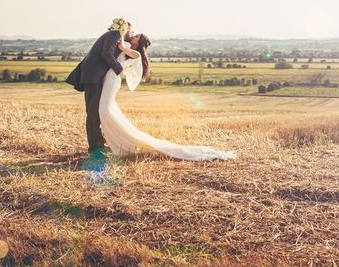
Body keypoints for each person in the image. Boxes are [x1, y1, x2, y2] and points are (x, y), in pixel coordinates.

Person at [98, 33, 236, 161]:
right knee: (105, 109)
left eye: (137, 36)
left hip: (112, 80)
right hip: (109, 78)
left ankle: (119, 141)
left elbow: (120, 47)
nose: (134, 35)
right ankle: (115, 140)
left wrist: (119, 32)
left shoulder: (136, 54)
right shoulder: (129, 50)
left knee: (104, 109)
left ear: (139, 43)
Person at [66, 18, 133, 155]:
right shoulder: (114, 35)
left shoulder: (112, 36)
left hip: (94, 75)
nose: (131, 34)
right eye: (131, 31)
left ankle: (99, 143)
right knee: (92, 114)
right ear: (125, 30)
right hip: (92, 76)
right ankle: (95, 148)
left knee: (96, 112)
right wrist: (119, 69)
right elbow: (106, 54)